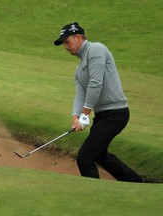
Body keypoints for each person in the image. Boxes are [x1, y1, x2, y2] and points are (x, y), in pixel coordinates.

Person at [54, 22, 145, 182]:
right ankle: (137, 182)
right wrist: (76, 116)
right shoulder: (79, 68)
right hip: (103, 116)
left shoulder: (95, 49)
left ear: (78, 37)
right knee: (100, 155)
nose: (66, 47)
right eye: (63, 44)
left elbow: (96, 83)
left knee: (84, 157)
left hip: (116, 113)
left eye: (67, 42)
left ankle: (94, 192)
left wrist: (85, 115)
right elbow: (80, 94)